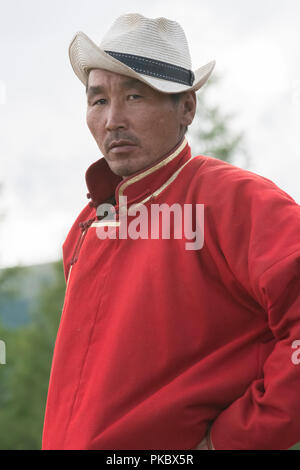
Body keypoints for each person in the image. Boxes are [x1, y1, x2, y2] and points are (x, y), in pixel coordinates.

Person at [42, 13, 300, 450]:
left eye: (136, 96)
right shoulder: (86, 229)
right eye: (98, 100)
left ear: (187, 108)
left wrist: (232, 441)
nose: (112, 120)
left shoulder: (235, 201)